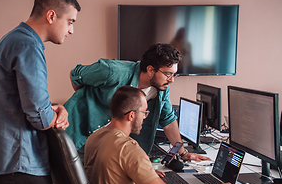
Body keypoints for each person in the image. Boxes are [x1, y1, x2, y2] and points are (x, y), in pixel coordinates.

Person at [0, 0, 81, 184]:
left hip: (1, 162)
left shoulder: (12, 39)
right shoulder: (29, 46)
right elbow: (40, 117)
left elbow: (21, 101)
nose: (71, 30)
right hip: (18, 164)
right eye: (70, 21)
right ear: (51, 15)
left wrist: (56, 109)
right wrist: (58, 114)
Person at [84, 86, 241, 184]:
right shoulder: (128, 148)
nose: (145, 117)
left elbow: (109, 173)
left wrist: (143, 174)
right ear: (131, 115)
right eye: (144, 112)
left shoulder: (95, 136)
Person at [64, 43, 209, 161]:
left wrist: (182, 153)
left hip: (106, 145)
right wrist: (86, 101)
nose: (171, 80)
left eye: (174, 75)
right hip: (78, 136)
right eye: (168, 74)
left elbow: (168, 120)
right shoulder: (112, 71)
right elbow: (76, 75)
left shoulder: (162, 88)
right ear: (151, 70)